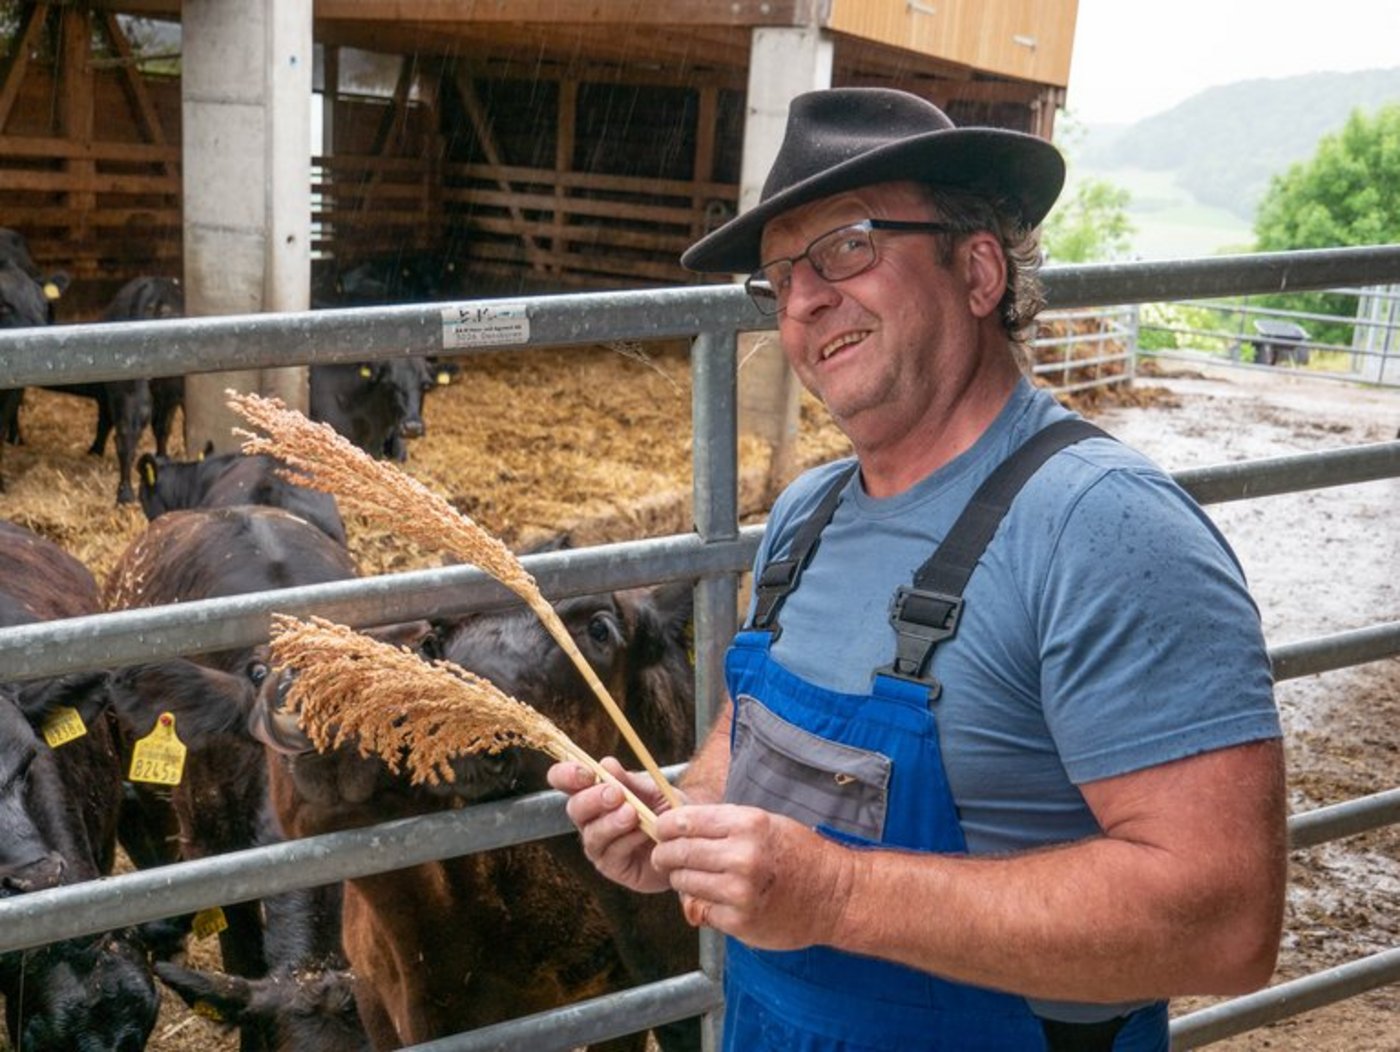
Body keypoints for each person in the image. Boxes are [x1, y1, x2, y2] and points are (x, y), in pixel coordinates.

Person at [548, 87, 1286, 1051]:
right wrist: (680, 826)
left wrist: (837, 893)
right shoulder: (802, 521)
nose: (804, 298)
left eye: (846, 246)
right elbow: (745, 748)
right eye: (778, 277)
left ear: (979, 270)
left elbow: (1226, 923)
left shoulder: (1103, 528)